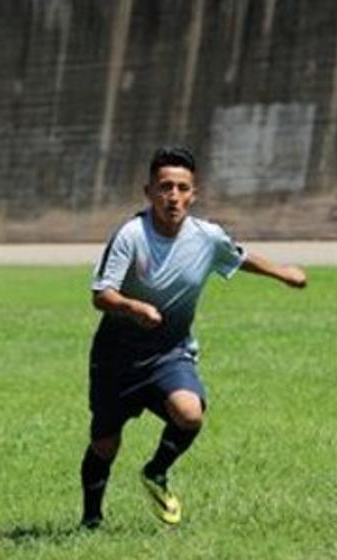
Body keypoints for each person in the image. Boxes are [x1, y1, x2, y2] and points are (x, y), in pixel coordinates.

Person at [79, 146, 308, 529]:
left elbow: (239, 256)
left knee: (189, 414)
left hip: (169, 353)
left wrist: (283, 272)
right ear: (148, 191)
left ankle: (156, 471)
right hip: (116, 359)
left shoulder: (206, 237)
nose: (174, 196)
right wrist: (134, 308)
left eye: (182, 188)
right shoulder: (130, 235)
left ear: (194, 194)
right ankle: (91, 519)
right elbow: (101, 294)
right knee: (105, 443)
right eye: (165, 186)